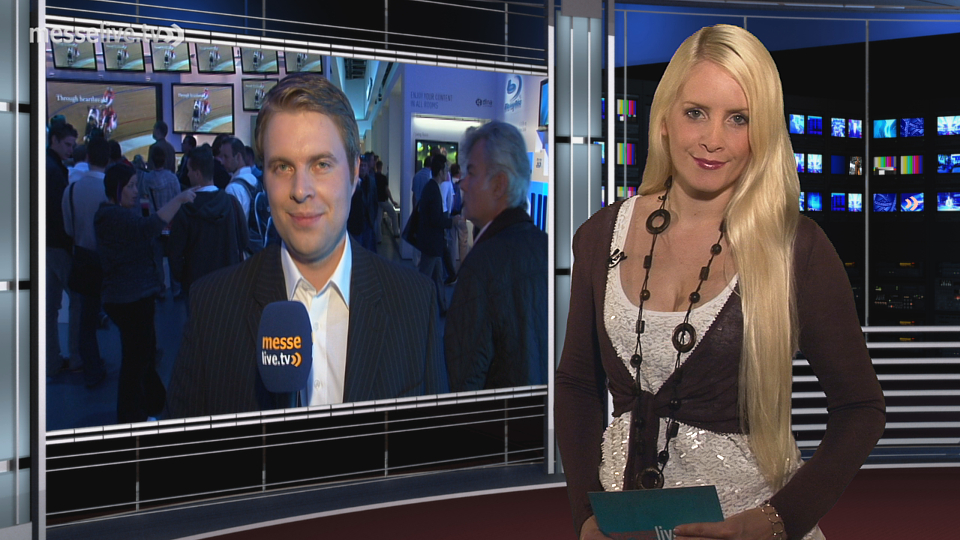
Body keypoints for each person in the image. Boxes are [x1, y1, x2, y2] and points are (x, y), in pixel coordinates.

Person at [555, 25, 885, 540]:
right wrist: (584, 518)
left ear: (763, 131)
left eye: (739, 119)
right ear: (664, 119)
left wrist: (776, 521)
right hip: (626, 527)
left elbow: (861, 409)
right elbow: (577, 385)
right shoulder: (601, 235)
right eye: (696, 112)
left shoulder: (796, 248)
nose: (714, 139)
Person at [166, 73, 446, 418]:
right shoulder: (212, 307)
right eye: (282, 167)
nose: (301, 190)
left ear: (354, 173)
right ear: (264, 178)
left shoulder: (415, 302)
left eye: (321, 164)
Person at [444, 121, 547, 392]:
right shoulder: (549, 250)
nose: (463, 183)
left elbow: (464, 383)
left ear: (499, 184)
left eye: (471, 172)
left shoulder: (481, 266)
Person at [95, 164, 197, 423]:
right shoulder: (114, 217)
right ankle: (132, 416)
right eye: (130, 186)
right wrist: (178, 199)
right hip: (130, 298)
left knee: (142, 355)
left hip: (132, 296)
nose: (135, 191)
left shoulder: (113, 215)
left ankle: (154, 402)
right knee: (136, 360)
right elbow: (149, 226)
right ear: (116, 188)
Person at [166, 146, 248, 305]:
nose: (187, 174)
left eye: (189, 170)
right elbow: (244, 240)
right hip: (229, 284)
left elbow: (174, 253)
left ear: (197, 173)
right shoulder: (231, 203)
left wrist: (185, 279)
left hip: (197, 286)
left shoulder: (185, 209)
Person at [61, 136, 111, 387]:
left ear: (87, 157)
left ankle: (91, 368)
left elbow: (68, 229)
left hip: (83, 259)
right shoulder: (112, 190)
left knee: (85, 320)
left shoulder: (71, 190)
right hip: (110, 262)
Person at [46, 122, 77, 376]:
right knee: (78, 302)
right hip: (57, 246)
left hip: (45, 245)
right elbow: (60, 215)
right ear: (54, 140)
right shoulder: (54, 171)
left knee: (49, 308)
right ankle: (78, 358)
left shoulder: (48, 166)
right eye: (67, 144)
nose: (70, 150)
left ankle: (51, 361)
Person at [417, 154, 452, 314]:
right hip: (431, 243)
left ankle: (443, 306)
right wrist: (452, 221)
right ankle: (417, 309)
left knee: (437, 277)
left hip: (433, 243)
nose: (447, 173)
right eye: (445, 170)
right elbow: (435, 219)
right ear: (440, 171)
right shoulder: (433, 189)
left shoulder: (431, 188)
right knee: (424, 278)